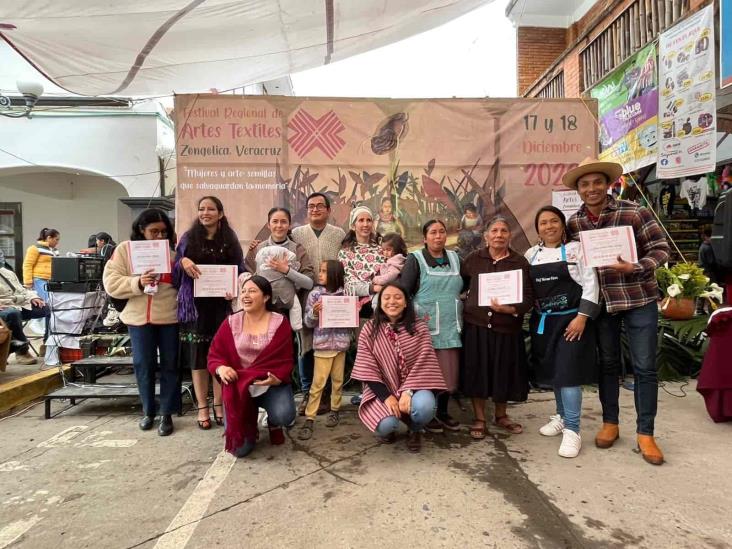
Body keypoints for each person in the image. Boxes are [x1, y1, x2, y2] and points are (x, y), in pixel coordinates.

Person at [564, 157, 670, 466]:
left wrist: (636, 266)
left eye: (597, 182)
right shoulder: (575, 223)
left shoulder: (632, 211)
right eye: (585, 184)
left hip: (638, 299)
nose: (592, 189)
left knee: (645, 367)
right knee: (608, 364)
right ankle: (611, 422)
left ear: (608, 184)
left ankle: (646, 433)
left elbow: (661, 249)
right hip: (603, 305)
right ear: (579, 189)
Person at [525, 206, 600, 458]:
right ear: (537, 229)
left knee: (568, 374)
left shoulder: (577, 249)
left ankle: (573, 429)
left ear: (562, 224)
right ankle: (560, 416)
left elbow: (591, 284)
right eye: (543, 223)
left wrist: (581, 318)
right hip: (544, 323)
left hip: (571, 322)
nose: (549, 226)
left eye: (553, 221)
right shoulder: (531, 254)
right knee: (555, 372)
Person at [103, 209, 179, 436]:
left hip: (169, 317)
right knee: (143, 365)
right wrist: (138, 283)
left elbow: (184, 286)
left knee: (170, 365)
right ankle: (148, 411)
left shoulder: (174, 255)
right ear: (140, 230)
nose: (158, 236)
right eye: (153, 231)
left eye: (163, 232)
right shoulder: (124, 250)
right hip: (137, 318)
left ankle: (167, 413)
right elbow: (111, 282)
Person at [174, 196, 245, 431]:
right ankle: (202, 406)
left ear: (220, 213)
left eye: (211, 209)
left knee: (220, 358)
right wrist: (183, 261)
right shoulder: (188, 238)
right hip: (195, 308)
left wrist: (234, 289)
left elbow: (240, 269)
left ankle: (219, 404)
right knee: (198, 358)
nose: (205, 213)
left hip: (221, 307)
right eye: (201, 209)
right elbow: (175, 270)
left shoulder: (230, 238)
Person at [461, 216, 533, 439]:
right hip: (477, 326)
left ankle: (501, 416)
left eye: (503, 231)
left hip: (507, 327)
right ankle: (480, 418)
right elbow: (462, 285)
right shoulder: (473, 259)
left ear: (509, 236)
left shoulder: (519, 262)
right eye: (494, 231)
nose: (499, 235)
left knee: (504, 371)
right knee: (477, 371)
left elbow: (529, 297)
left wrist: (510, 310)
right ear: (486, 236)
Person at [351, 283, 447, 452]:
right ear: (380, 303)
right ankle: (390, 428)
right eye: (386, 297)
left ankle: (415, 428)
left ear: (406, 303)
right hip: (382, 389)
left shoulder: (419, 327)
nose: (392, 301)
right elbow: (367, 368)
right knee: (386, 424)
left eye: (398, 297)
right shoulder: (369, 329)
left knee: (424, 407)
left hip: (416, 388)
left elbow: (425, 363)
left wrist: (408, 391)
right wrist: (387, 396)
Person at [207, 275, 296, 457]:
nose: (246, 295)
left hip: (268, 385)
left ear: (266, 297)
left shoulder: (280, 322)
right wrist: (221, 368)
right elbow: (214, 355)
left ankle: (273, 422)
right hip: (238, 387)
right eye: (243, 291)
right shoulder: (231, 322)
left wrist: (276, 378)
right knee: (239, 450)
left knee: (284, 415)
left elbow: (286, 360)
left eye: (252, 291)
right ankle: (248, 419)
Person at [400, 219, 463, 433]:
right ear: (424, 238)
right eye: (433, 232)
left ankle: (443, 411)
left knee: (448, 374)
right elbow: (404, 292)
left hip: (450, 326)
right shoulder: (415, 259)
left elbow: (469, 284)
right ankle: (429, 413)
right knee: (425, 373)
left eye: (442, 232)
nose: (438, 236)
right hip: (424, 329)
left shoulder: (456, 258)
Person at [291, 192, 346, 414]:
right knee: (307, 345)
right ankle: (308, 392)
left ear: (328, 210)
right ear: (307, 210)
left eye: (320, 206)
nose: (315, 209)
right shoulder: (296, 234)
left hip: (334, 298)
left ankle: (328, 397)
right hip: (306, 297)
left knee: (332, 344)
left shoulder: (339, 234)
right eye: (311, 206)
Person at [298, 260, 352, 440]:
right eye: (319, 271)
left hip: (341, 345)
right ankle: (310, 418)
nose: (319, 275)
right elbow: (308, 322)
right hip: (322, 346)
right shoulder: (315, 295)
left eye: (324, 272)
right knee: (318, 383)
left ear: (335, 274)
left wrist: (353, 312)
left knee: (337, 380)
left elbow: (351, 322)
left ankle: (335, 409)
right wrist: (314, 312)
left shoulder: (346, 294)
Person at [245, 207, 314, 328]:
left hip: (288, 310)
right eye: (275, 221)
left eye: (283, 221)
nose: (279, 225)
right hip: (261, 311)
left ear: (289, 225)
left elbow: (309, 283)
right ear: (268, 225)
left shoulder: (297, 249)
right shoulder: (257, 248)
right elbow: (247, 279)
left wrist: (286, 270)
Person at [0, 250, 49, 365]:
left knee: (48, 309)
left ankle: (47, 344)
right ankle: (22, 351)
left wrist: (33, 297)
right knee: (13, 314)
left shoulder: (7, 272)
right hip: (5, 309)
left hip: (20, 305)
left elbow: (23, 289)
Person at [338, 206, 385, 304]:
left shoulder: (382, 250)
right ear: (353, 225)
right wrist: (373, 288)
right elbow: (349, 286)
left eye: (369, 220)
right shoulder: (345, 253)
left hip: (382, 300)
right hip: (356, 306)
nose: (365, 224)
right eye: (361, 220)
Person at [23, 228, 60, 302]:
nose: (58, 242)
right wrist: (28, 282)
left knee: (51, 303)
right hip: (39, 279)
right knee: (45, 302)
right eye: (56, 239)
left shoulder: (55, 250)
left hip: (51, 281)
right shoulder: (35, 248)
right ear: (49, 238)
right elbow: (27, 265)